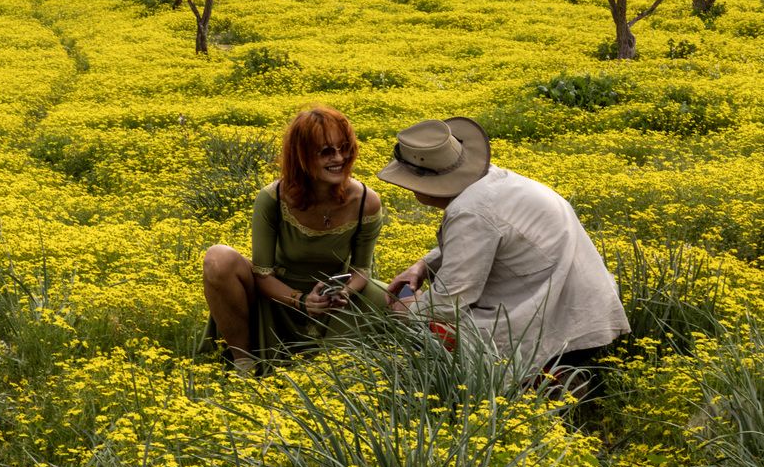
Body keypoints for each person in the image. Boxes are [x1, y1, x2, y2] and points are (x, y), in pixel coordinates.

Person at [379, 117, 630, 382]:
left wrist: (406, 310)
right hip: (587, 314)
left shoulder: (470, 211)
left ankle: (535, 384)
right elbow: (487, 238)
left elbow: (448, 302)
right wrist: (422, 266)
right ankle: (553, 379)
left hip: (561, 329)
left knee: (423, 324)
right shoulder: (493, 181)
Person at [202, 106, 385, 375]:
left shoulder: (366, 202)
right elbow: (262, 275)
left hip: (335, 301)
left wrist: (343, 292)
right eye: (326, 151)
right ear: (301, 157)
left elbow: (361, 271)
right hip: (278, 298)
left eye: (344, 147)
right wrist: (301, 301)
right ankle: (244, 363)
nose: (340, 158)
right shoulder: (273, 198)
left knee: (404, 300)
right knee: (218, 258)